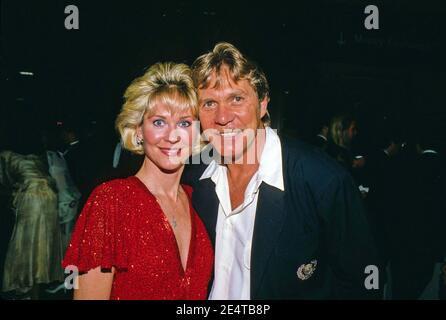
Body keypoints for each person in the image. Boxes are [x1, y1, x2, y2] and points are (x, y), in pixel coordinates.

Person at [182, 42, 379, 299]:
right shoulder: (192, 179)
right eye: (209, 103)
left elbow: (362, 283)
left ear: (263, 104)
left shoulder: (322, 180)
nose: (222, 117)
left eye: (237, 99)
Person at [62, 62, 214, 300]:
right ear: (139, 130)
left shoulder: (200, 201)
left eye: (184, 123)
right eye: (159, 122)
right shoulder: (110, 202)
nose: (172, 136)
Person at [0, 149, 64, 299]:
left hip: (32, 197)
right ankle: (36, 280)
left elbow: (4, 182)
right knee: (42, 242)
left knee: (25, 242)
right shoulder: (36, 157)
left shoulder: (5, 155)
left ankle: (24, 285)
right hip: (50, 197)